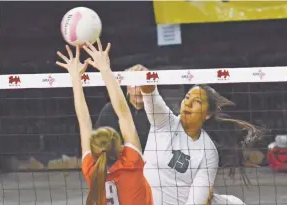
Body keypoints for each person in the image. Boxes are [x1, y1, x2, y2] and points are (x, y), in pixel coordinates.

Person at [55, 40, 153, 205]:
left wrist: (75, 78)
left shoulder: (92, 171)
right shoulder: (131, 163)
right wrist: (105, 69)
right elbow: (124, 114)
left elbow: (84, 122)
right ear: (120, 145)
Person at [140, 82, 260, 204]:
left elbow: (196, 201)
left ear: (207, 114)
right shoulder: (165, 123)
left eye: (197, 101)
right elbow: (151, 96)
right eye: (187, 97)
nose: (188, 103)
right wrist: (145, 82)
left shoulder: (208, 153)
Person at [95, 65, 150, 153]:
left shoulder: (158, 113)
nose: (139, 89)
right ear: (127, 87)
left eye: (143, 84)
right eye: (134, 84)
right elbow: (98, 142)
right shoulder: (110, 110)